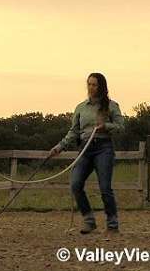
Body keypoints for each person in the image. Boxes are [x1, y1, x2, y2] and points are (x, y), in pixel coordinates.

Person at [49, 73, 125, 234]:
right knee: (75, 184)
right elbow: (73, 132)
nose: (91, 88)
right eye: (89, 84)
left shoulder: (111, 106)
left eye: (94, 85)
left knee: (105, 187)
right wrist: (59, 147)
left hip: (103, 147)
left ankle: (112, 223)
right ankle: (89, 220)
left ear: (101, 87)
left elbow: (121, 127)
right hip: (85, 148)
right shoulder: (80, 108)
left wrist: (106, 126)